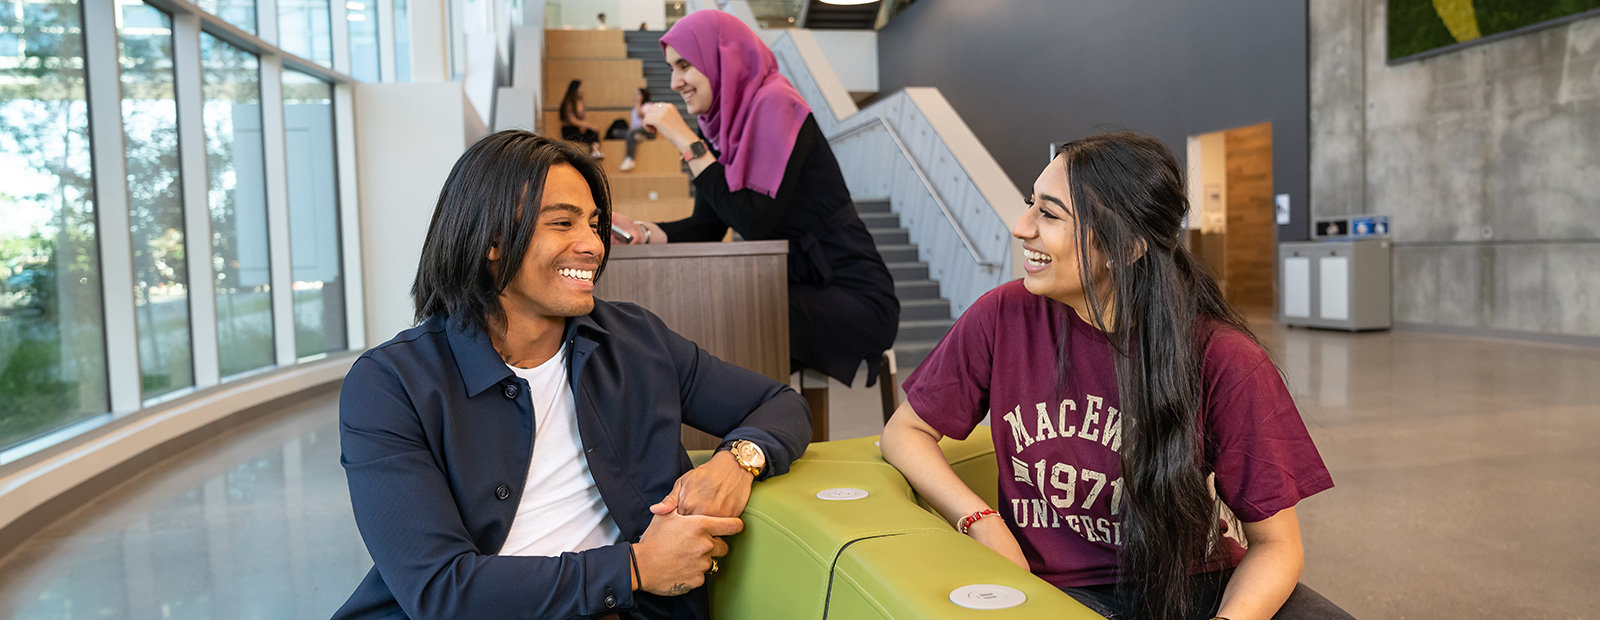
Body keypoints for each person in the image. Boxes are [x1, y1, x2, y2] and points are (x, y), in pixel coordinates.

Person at [334, 131, 812, 620]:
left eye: (595, 223)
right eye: (563, 223)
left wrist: (737, 461)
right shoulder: (390, 384)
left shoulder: (635, 340)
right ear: (491, 240)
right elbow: (441, 592)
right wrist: (636, 567)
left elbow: (780, 404)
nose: (593, 245)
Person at [879, 133, 1353, 620]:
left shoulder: (1223, 357)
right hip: (1057, 591)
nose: (1021, 227)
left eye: (1049, 213)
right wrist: (982, 521)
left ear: (1124, 249)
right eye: (1030, 204)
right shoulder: (1003, 316)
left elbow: (1277, 545)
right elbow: (905, 432)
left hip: (1193, 586)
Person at [610, 10, 899, 388]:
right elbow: (708, 226)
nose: (675, 82)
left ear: (722, 59)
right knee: (716, 319)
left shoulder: (776, 103)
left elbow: (753, 222)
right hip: (793, 289)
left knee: (729, 318)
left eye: (684, 66)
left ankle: (758, 438)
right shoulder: (723, 129)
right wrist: (644, 232)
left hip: (854, 296)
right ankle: (739, 434)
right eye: (670, 69)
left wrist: (687, 142)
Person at [559, 79, 604, 159]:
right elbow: (572, 120)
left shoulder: (581, 102)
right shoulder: (569, 102)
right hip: (569, 130)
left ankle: (595, 150)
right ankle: (594, 150)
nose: (584, 90)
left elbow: (581, 120)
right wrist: (589, 125)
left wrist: (584, 126)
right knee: (591, 130)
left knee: (593, 131)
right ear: (576, 89)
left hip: (578, 128)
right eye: (582, 87)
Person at [619, 87, 658, 172]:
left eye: (638, 94)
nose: (636, 96)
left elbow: (640, 114)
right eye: (635, 95)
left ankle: (630, 158)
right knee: (616, 132)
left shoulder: (648, 106)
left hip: (648, 131)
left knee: (632, 133)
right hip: (635, 131)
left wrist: (638, 103)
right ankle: (638, 136)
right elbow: (632, 125)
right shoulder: (633, 110)